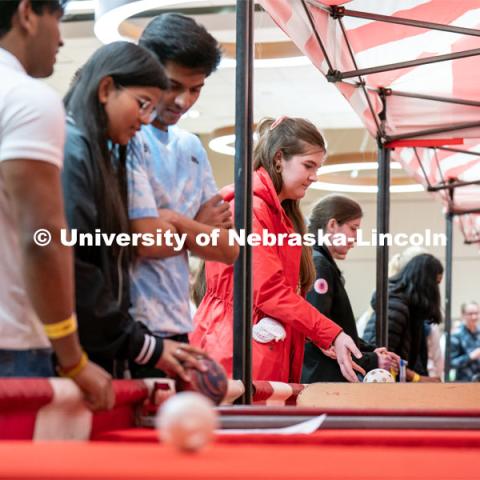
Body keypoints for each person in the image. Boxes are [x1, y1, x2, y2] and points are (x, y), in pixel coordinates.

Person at [62, 41, 205, 381]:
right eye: (142, 105)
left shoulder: (101, 151)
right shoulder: (70, 147)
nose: (144, 120)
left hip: (105, 344)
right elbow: (76, 264)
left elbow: (226, 247)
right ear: (106, 89)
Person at [0, 0, 113, 410]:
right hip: (10, 343)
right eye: (58, 19)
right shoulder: (26, 98)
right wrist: (72, 358)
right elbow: (41, 237)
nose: (62, 37)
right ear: (27, 13)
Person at [191, 117, 362, 383]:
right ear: (279, 158)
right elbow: (270, 291)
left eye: (317, 167)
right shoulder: (250, 209)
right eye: (308, 165)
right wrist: (329, 333)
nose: (314, 177)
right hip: (234, 347)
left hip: (255, 345)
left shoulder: (279, 214)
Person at [127, 13, 238, 377]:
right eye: (173, 85)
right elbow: (143, 240)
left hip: (176, 318)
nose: (182, 100)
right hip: (128, 322)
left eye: (196, 89)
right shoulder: (124, 134)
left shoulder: (190, 146)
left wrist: (173, 221)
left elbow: (228, 249)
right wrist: (197, 229)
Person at [302, 195, 399, 382]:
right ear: (332, 225)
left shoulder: (320, 262)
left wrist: (368, 351)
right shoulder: (319, 264)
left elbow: (336, 329)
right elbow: (319, 334)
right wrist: (371, 360)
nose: (354, 238)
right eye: (353, 228)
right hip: (323, 378)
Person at [363, 254, 443, 382]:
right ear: (426, 282)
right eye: (436, 283)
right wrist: (418, 378)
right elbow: (381, 357)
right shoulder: (397, 306)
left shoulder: (406, 306)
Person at [450, 301, 480, 382]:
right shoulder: (456, 335)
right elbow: (451, 363)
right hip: (464, 382)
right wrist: (470, 356)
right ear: (463, 315)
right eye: (470, 314)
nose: (474, 317)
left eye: (476, 313)